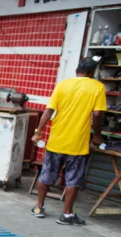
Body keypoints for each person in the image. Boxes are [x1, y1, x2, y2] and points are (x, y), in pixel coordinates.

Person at [31, 58, 106, 225]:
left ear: (76, 70)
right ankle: (66, 215)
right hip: (77, 144)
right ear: (92, 73)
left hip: (56, 140)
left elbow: (49, 110)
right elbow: (98, 114)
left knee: (46, 175)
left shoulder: (63, 85)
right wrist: (97, 135)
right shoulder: (97, 87)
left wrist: (38, 132)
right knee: (73, 180)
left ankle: (39, 208)